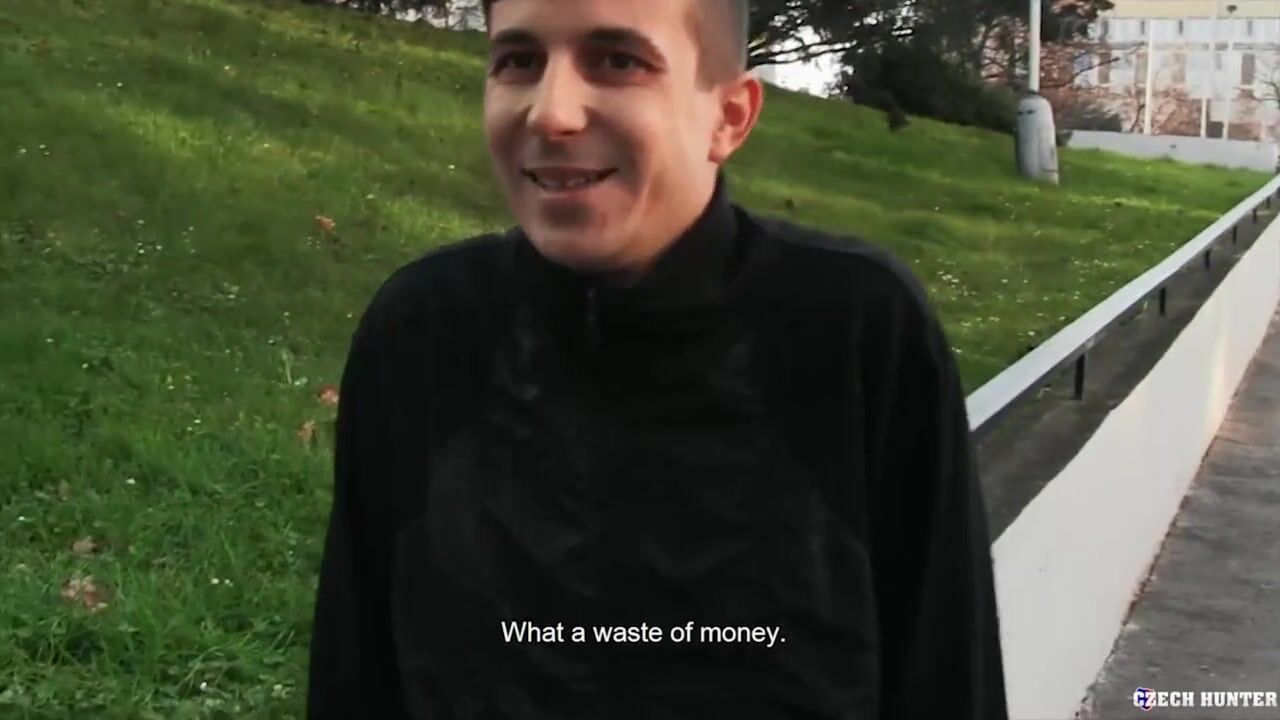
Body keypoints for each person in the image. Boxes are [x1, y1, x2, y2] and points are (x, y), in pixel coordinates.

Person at [306, 0, 1009, 717]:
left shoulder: (855, 328)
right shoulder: (423, 331)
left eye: (618, 61)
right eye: (518, 61)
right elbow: (354, 670)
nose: (551, 113)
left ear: (729, 117)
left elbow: (947, 674)